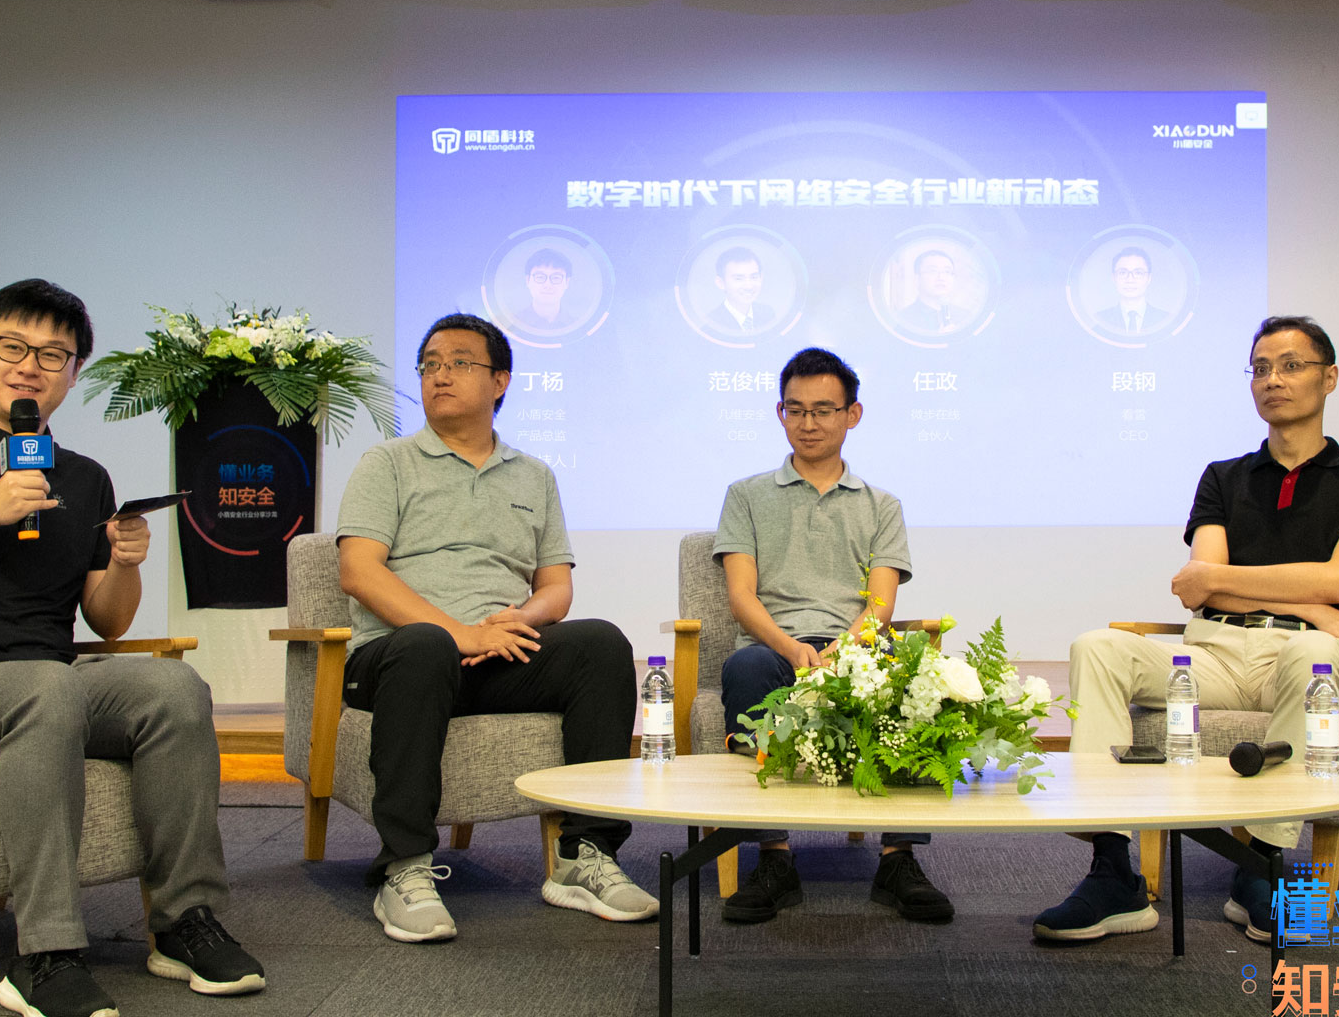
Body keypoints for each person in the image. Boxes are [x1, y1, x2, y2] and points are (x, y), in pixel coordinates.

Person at [0, 279, 263, 1017]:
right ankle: (44, 954)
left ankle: (184, 920)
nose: (29, 366)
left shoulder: (83, 478)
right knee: (48, 688)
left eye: (52, 355)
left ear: (72, 374)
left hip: (52, 683)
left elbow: (107, 620)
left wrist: (126, 562)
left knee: (173, 689)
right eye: (13, 346)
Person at [1033, 315, 1339, 946]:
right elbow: (1199, 586)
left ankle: (1262, 866)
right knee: (1096, 647)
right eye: (1260, 369)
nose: (1273, 380)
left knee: (1312, 650)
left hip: (1308, 657)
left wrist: (1316, 606)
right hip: (1216, 653)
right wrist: (1315, 602)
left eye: (1291, 366)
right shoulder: (1224, 477)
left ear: (1330, 377)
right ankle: (1113, 870)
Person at [335, 311, 656, 943]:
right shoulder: (388, 462)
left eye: (459, 363)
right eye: (429, 364)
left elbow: (556, 588)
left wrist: (518, 619)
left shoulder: (534, 476)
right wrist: (460, 633)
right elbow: (358, 571)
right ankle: (404, 867)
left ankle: (584, 855)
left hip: (494, 654)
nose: (439, 375)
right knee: (425, 645)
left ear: (500, 380)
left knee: (600, 643)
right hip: (399, 658)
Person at [713, 348, 951, 925]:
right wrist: (793, 649)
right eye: (795, 409)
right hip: (775, 647)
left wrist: (844, 652)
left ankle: (898, 858)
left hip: (857, 646)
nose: (809, 423)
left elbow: (880, 605)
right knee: (745, 670)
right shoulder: (746, 495)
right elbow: (742, 597)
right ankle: (773, 856)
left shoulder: (881, 505)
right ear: (780, 413)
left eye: (823, 410)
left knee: (914, 676)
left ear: (852, 414)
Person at [1092, 247, 1173, 336]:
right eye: (1123, 273)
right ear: (1114, 278)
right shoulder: (1099, 321)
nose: (1130, 279)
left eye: (1138, 273)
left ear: (1149, 278)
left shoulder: (1166, 320)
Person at [509, 247, 575, 334]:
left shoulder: (577, 327)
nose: (548, 285)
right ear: (528, 280)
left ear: (567, 282)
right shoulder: (509, 325)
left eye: (556, 278)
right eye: (540, 277)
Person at [707, 247, 766, 333]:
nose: (748, 286)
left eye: (754, 277)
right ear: (721, 283)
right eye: (739, 279)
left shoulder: (767, 313)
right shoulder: (711, 323)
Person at [902, 250, 961, 333]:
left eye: (947, 272)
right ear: (917, 279)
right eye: (933, 271)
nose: (941, 277)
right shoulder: (903, 319)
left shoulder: (965, 317)